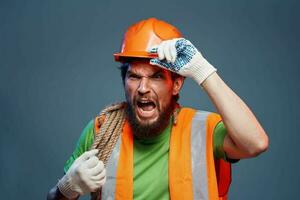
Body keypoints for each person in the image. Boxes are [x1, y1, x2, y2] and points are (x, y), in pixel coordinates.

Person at [47, 18, 269, 200]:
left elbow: (255, 144)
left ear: (177, 84)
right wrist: (67, 188)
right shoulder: (101, 130)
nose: (143, 88)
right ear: (124, 81)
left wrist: (202, 70)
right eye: (134, 76)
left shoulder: (204, 130)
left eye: (156, 77)